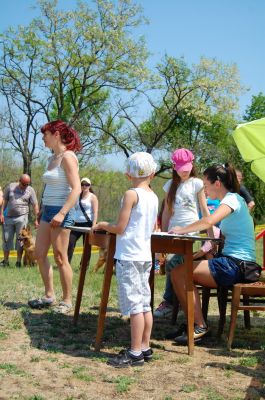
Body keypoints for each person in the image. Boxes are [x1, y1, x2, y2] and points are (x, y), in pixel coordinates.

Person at [169, 163, 260, 344]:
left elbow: (208, 220)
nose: (204, 189)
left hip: (237, 265)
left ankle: (199, 326)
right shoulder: (232, 200)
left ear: (217, 183)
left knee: (179, 273)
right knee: (179, 271)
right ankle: (193, 323)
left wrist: (181, 230)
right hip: (233, 262)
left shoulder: (232, 199)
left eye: (206, 185)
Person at [93, 152, 158, 368]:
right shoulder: (154, 196)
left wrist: (103, 224)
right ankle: (146, 346)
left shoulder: (131, 194)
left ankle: (134, 352)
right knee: (144, 303)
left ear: (128, 175)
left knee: (134, 306)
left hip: (129, 255)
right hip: (144, 255)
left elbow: (120, 228)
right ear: (153, 173)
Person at [28, 120, 81, 314]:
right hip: (48, 210)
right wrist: (41, 208)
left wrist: (62, 213)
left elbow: (76, 189)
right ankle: (49, 296)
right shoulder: (51, 158)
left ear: (56, 134)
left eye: (46, 134)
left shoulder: (68, 156)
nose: (43, 138)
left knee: (60, 256)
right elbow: (49, 186)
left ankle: (67, 301)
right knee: (39, 254)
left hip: (62, 210)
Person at [154, 148, 212, 319]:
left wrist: (209, 234)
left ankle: (170, 302)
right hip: (173, 231)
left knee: (175, 263)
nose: (184, 171)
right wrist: (162, 236)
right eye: (181, 168)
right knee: (173, 265)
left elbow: (204, 209)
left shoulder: (197, 183)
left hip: (190, 230)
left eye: (187, 167)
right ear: (174, 166)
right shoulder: (170, 185)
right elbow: (166, 212)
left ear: (192, 165)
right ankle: (174, 302)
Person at [0, 175, 39, 267]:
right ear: (19, 181)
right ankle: (6, 261)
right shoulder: (10, 187)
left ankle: (18, 262)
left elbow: (35, 204)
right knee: (6, 238)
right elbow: (4, 201)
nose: (25, 186)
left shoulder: (30, 190)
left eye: (27, 184)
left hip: (22, 217)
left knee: (21, 240)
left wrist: (37, 218)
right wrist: (1, 214)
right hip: (8, 217)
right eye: (23, 184)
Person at [67, 177, 98, 263]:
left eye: (87, 185)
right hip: (76, 223)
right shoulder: (77, 195)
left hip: (88, 224)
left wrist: (94, 225)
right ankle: (66, 263)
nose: (84, 186)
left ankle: (84, 266)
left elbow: (95, 212)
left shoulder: (93, 197)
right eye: (82, 184)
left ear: (89, 186)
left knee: (87, 247)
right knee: (70, 243)